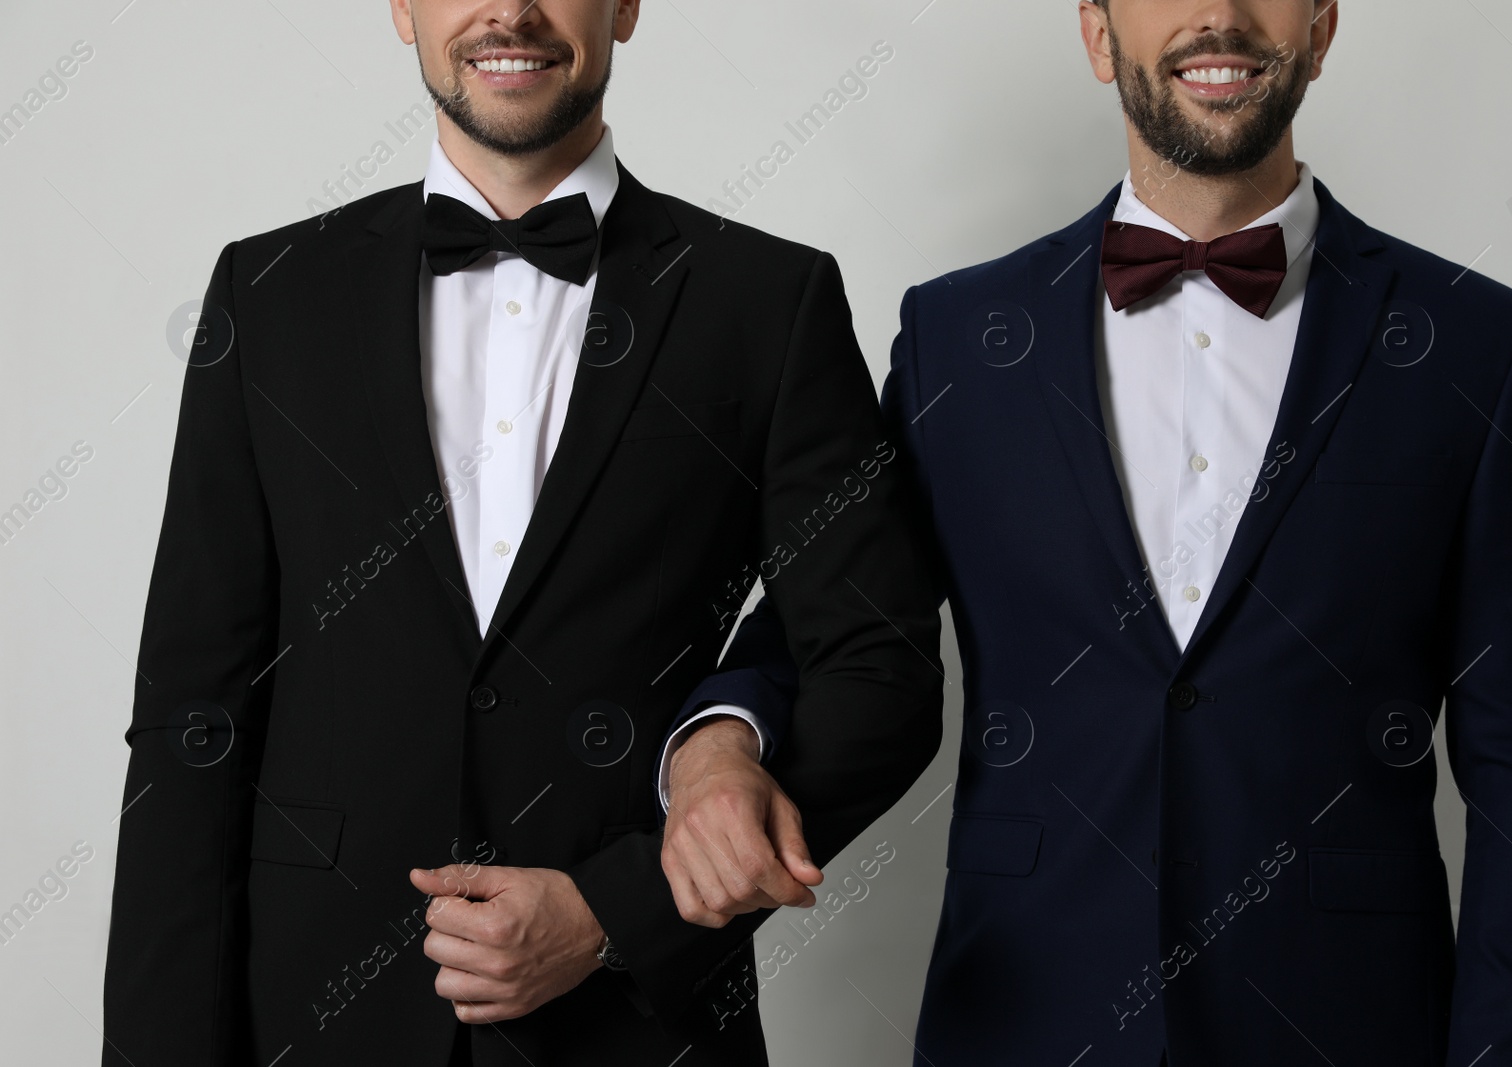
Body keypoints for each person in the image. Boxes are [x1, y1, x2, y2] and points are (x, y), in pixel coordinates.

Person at [657, 1, 1512, 1063]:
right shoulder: (959, 339)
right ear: (1097, 33)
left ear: (1323, 27)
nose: (1218, 17)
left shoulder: (1478, 347)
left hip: (1350, 1026)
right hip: (1021, 1018)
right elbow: (831, 618)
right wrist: (715, 745)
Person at [99, 1, 943, 1064]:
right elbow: (190, 722)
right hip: (311, 1026)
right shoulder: (268, 296)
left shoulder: (768, 302)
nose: (512, 10)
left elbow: (883, 665)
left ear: (625, 6)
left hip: (636, 1035)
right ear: (402, 8)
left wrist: (616, 913)